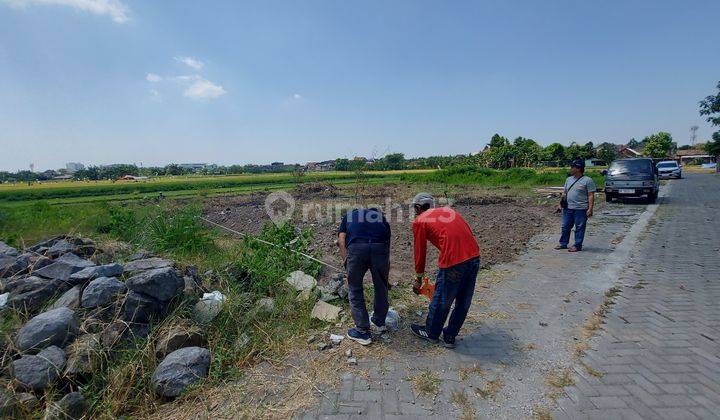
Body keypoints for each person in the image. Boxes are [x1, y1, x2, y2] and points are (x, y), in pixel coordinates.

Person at [409, 193, 480, 349]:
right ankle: (450, 336)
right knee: (463, 301)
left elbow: (420, 252)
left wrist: (418, 279)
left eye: (414, 208)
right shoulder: (449, 212)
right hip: (474, 256)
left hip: (453, 262)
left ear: (418, 207)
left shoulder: (420, 220)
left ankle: (431, 333)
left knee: (442, 298)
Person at [338, 207, 391, 345]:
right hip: (380, 249)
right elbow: (387, 240)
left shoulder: (349, 216)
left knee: (355, 288)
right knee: (381, 286)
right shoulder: (380, 216)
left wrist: (346, 264)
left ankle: (362, 331)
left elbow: (341, 241)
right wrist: (385, 269)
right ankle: (380, 323)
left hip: (357, 250)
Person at [555, 159, 597, 252]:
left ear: (578, 169)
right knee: (565, 226)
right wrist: (560, 204)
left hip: (581, 209)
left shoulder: (588, 181)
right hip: (567, 208)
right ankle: (563, 243)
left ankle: (577, 245)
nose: (570, 169)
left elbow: (591, 195)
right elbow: (565, 193)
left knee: (579, 227)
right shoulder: (568, 179)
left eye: (572, 167)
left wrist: (590, 208)